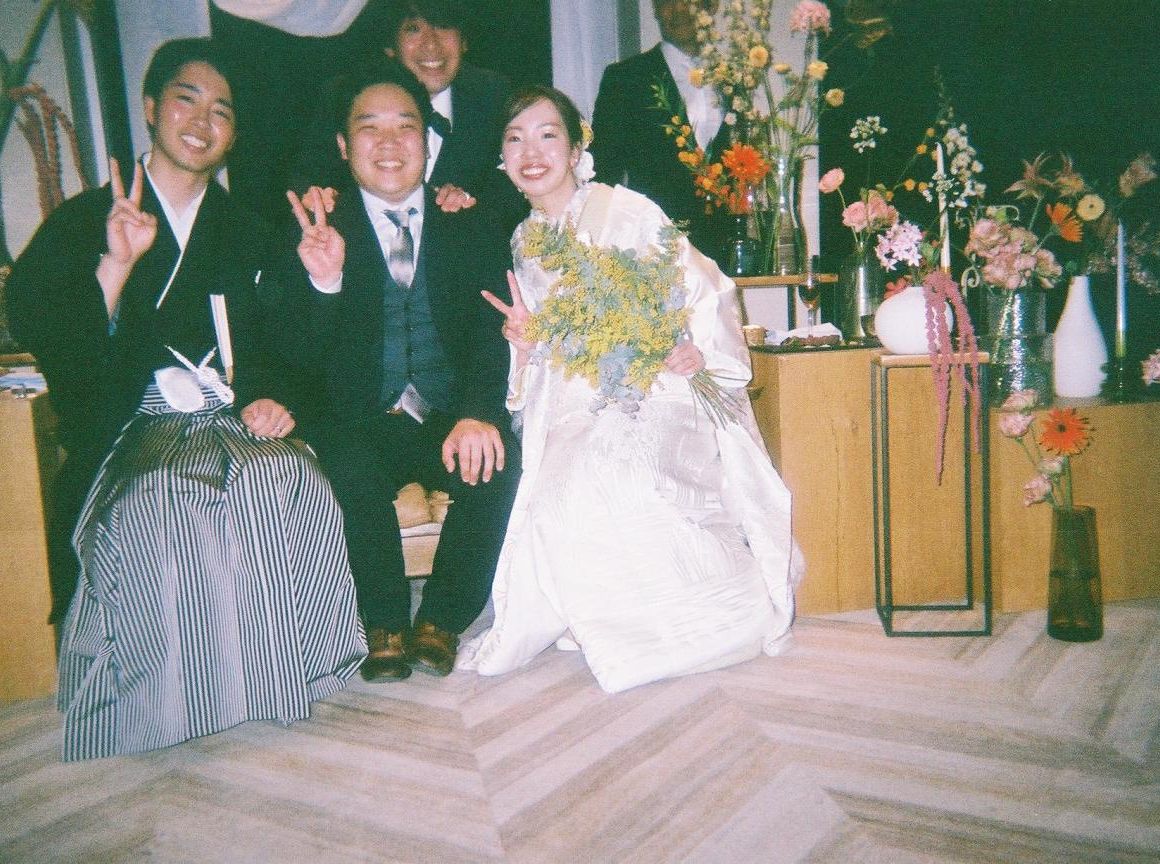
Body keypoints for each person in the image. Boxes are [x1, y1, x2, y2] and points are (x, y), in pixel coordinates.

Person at [4, 38, 366, 760]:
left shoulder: (249, 227)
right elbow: (41, 324)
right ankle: (169, 694)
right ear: (150, 108)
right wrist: (114, 266)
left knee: (285, 476)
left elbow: (285, 345)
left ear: (234, 134)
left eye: (221, 112)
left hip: (228, 410)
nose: (203, 122)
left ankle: (271, 676)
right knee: (162, 494)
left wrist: (316, 298)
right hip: (130, 421)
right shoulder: (86, 219)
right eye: (186, 100)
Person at [464, 86, 804, 693]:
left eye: (547, 135)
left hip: (658, 383)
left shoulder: (624, 209)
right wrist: (526, 342)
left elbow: (704, 286)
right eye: (515, 139)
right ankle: (613, 622)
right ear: (500, 157)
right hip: (573, 400)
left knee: (609, 469)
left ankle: (703, 622)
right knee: (561, 486)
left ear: (576, 150)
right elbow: (545, 351)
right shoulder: (521, 240)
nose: (531, 152)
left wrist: (696, 349)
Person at [281, 61, 519, 683]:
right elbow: (295, 356)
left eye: (405, 126)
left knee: (499, 460)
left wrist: (478, 413)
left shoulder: (469, 222)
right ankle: (383, 622)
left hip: (444, 414)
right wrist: (324, 281)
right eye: (369, 126)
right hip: (359, 418)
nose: (389, 142)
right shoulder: (314, 227)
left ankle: (441, 618)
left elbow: (491, 333)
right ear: (343, 145)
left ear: (427, 142)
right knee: (351, 470)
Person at [288, 0, 522, 224]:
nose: (431, 44)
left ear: (464, 41)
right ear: (390, 45)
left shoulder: (493, 96)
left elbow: (515, 186)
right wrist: (321, 198)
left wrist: (470, 201)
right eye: (413, 29)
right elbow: (308, 176)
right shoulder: (346, 95)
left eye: (443, 25)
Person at [590, 0, 728, 262]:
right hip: (653, 244)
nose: (679, 9)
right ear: (655, 9)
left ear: (710, 7)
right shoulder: (626, 78)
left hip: (723, 244)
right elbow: (603, 169)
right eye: (667, 2)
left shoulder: (731, 78)